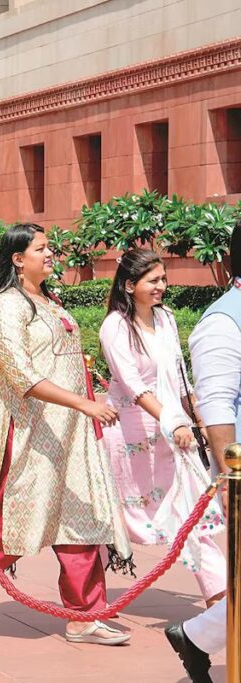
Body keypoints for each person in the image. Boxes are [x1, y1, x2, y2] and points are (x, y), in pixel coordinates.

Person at [0, 223, 132, 645]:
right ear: (17, 259)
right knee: (12, 522)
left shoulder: (49, 301)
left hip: (70, 432)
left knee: (80, 518)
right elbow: (21, 374)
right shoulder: (4, 306)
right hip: (29, 429)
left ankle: (84, 615)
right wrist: (84, 403)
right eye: (41, 249)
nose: (50, 255)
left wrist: (83, 403)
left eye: (50, 248)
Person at [100, 249, 225, 605]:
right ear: (129, 285)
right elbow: (133, 385)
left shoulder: (166, 317)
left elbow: (179, 374)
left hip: (172, 437)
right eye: (153, 280)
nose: (161, 287)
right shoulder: (115, 327)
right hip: (130, 436)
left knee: (191, 514)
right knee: (111, 520)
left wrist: (196, 418)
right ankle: (87, 601)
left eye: (163, 279)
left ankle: (220, 601)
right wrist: (173, 422)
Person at [165, 219, 241, 683]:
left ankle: (195, 636)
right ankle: (196, 636)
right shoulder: (222, 322)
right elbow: (216, 408)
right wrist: (231, 481)